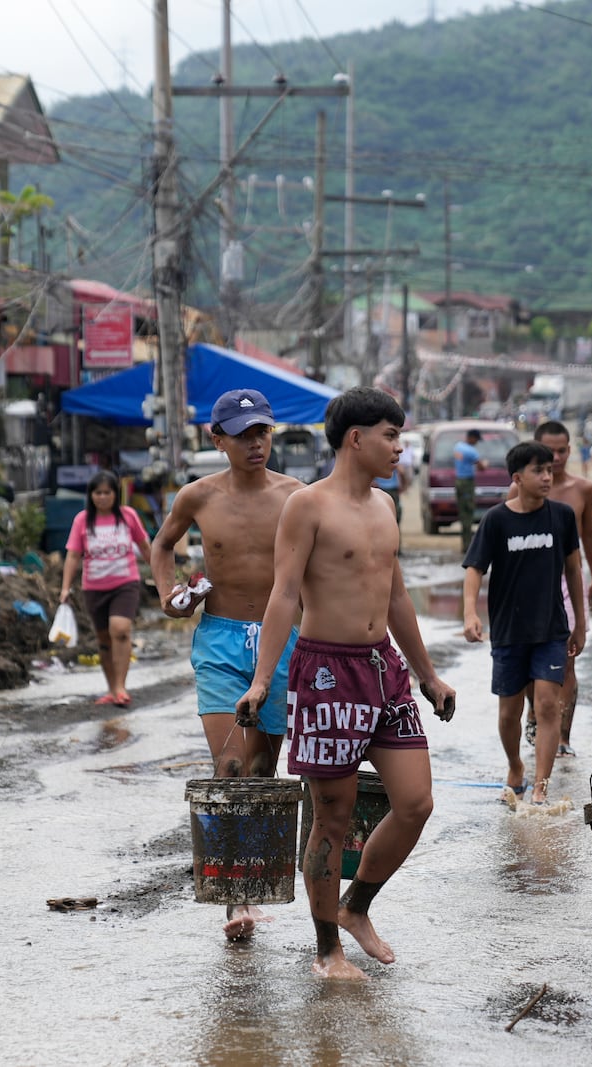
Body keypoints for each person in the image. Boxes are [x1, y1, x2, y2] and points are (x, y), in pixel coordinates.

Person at [235, 387, 456, 981]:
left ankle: (357, 907)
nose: (399, 448)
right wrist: (262, 682)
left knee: (415, 803)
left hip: (383, 669)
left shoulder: (385, 506)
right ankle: (326, 949)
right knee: (332, 816)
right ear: (355, 438)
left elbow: (398, 595)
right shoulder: (307, 506)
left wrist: (429, 675)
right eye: (390, 436)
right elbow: (283, 595)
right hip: (327, 673)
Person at [150, 388, 303, 941]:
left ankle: (255, 882)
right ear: (218, 441)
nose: (256, 443)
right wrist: (171, 595)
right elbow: (162, 545)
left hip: (282, 643)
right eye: (243, 435)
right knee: (230, 767)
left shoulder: (296, 496)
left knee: (263, 771)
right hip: (218, 638)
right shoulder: (196, 497)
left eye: (263, 432)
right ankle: (233, 899)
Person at [461, 441, 586, 806]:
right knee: (509, 711)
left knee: (548, 705)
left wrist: (578, 623)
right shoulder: (497, 520)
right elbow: (474, 570)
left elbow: (574, 570)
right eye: (538, 471)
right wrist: (470, 613)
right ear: (517, 477)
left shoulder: (562, 516)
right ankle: (516, 766)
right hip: (508, 631)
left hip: (551, 629)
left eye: (550, 470)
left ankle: (541, 785)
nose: (547, 476)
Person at [516, 420, 592, 757]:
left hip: (568, 582)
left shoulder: (583, 489)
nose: (557, 457)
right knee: (527, 663)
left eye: (563, 450)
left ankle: (562, 737)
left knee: (567, 661)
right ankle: (536, 711)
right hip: (530, 586)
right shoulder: (518, 489)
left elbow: (589, 535)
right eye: (549, 451)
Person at [60, 470, 151, 707]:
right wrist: (65, 588)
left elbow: (146, 547)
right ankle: (112, 689)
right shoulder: (82, 520)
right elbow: (72, 556)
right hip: (94, 588)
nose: (102, 497)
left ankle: (121, 687)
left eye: (107, 492)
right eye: (97, 493)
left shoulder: (127, 516)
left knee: (120, 629)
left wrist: (163, 577)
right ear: (90, 495)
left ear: (115, 494)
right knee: (103, 639)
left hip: (125, 584)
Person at [453, 428, 485, 552]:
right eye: (476, 439)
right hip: (467, 483)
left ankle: (465, 544)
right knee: (468, 513)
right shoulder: (471, 451)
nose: (477, 442)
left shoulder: (458, 446)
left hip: (458, 481)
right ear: (471, 437)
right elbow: (481, 467)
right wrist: (485, 464)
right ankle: (467, 546)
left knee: (462, 513)